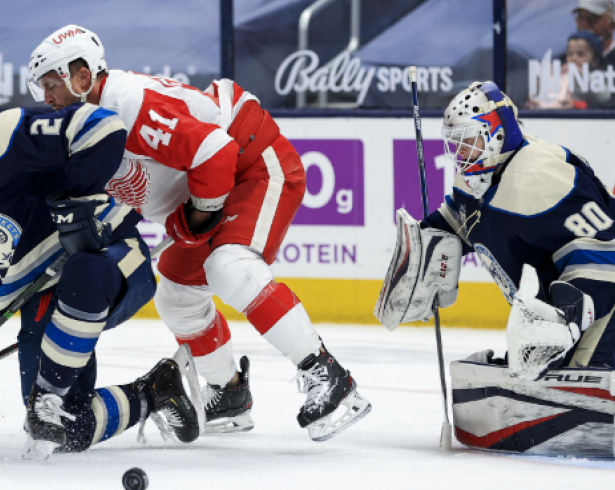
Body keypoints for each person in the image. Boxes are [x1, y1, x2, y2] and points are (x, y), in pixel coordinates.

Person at [25, 25, 371, 441]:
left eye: (50, 85)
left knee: (229, 265)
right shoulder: (85, 127)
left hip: (252, 162)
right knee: (177, 299)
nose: (45, 99)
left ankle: (327, 373)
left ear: (82, 77)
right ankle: (229, 394)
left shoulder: (128, 106)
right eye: (39, 88)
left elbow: (215, 152)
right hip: (207, 188)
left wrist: (199, 215)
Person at [0, 92, 199, 456]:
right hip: (44, 294)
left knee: (84, 274)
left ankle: (47, 396)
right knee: (62, 427)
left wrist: (78, 199)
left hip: (111, 258)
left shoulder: (8, 136)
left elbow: (104, 127)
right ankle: (156, 391)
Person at [405, 80, 615, 461]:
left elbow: (607, 253)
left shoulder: (536, 175)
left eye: (469, 140)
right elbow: (457, 220)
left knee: (574, 389)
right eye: (455, 143)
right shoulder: (478, 176)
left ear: (497, 133)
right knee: (540, 381)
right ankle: (609, 384)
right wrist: (425, 247)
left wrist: (563, 319)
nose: (460, 153)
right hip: (576, 289)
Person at [526, 31, 609, 110]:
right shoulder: (561, 75)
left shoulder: (596, 76)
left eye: (580, 54)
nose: (574, 58)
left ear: (595, 60)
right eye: (570, 54)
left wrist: (582, 75)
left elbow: (604, 97)